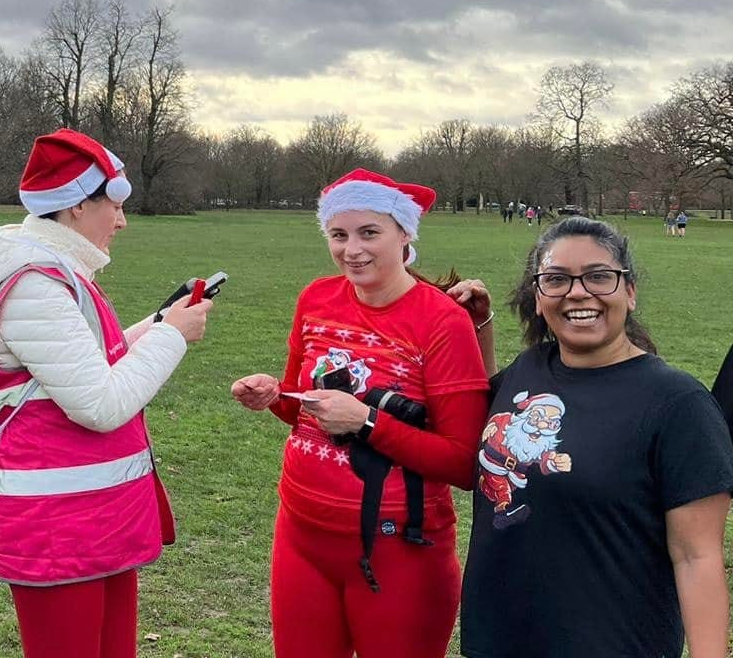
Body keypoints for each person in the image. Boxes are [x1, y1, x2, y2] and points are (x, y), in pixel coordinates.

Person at [0, 128, 211, 658]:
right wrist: (172, 336)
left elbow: (89, 363)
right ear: (77, 206)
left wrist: (159, 323)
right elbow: (100, 403)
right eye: (114, 206)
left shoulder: (60, 274)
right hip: (58, 527)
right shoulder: (35, 284)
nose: (122, 222)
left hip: (94, 517)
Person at [230, 168, 490, 658]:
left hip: (398, 549)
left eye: (369, 233)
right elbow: (304, 409)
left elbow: (462, 462)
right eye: (339, 235)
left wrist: (368, 423)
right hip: (301, 535)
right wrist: (275, 395)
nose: (352, 250)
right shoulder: (316, 298)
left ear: (404, 234)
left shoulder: (443, 321)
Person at [455, 216, 733, 658]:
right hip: (498, 638)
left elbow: (696, 558)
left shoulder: (679, 405)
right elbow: (488, 418)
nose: (578, 292)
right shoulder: (530, 368)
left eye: (599, 276)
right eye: (556, 279)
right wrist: (480, 325)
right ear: (538, 296)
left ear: (630, 291)